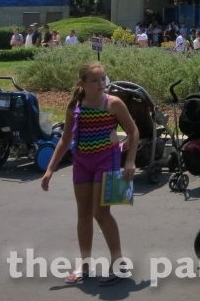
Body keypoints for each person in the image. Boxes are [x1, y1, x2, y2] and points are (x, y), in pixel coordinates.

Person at [41, 62, 139, 286]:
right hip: (82, 162)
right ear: (82, 84)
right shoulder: (75, 105)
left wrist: (131, 160)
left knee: (101, 213)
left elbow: (133, 131)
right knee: (83, 215)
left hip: (106, 160)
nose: (101, 83)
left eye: (103, 79)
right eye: (95, 80)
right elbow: (65, 139)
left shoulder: (112, 103)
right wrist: (50, 170)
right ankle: (85, 264)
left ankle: (119, 264)